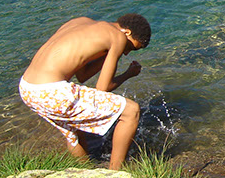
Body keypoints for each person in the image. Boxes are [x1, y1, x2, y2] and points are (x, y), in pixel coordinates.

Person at [19, 14, 151, 170]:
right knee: (131, 111)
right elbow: (103, 89)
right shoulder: (118, 37)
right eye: (131, 47)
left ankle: (84, 172)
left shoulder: (80, 22)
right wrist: (127, 74)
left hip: (28, 88)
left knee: (74, 131)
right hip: (52, 91)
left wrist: (112, 52)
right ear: (127, 32)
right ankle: (115, 174)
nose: (127, 52)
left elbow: (83, 75)